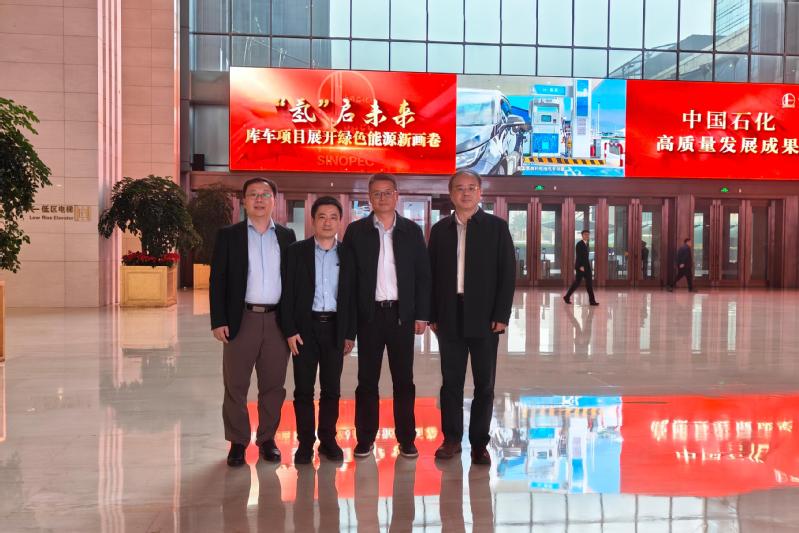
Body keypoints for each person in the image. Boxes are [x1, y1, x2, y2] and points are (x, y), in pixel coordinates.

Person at [428, 170, 515, 465]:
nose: (465, 193)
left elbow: (507, 274)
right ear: (451, 193)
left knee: (484, 384)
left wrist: (501, 314)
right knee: (450, 382)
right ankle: (452, 439)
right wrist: (432, 314)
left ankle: (479, 443)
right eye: (459, 188)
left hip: (485, 316)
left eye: (471, 188)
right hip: (449, 314)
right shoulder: (440, 230)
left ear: (480, 192)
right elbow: (430, 275)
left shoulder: (496, 228)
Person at [210, 177, 296, 467]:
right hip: (241, 319)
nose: (259, 199)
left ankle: (267, 439)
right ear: (244, 201)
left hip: (276, 321)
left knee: (273, 385)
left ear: (274, 200)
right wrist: (219, 319)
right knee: (235, 384)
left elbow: (292, 284)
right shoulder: (229, 236)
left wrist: (293, 324)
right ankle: (237, 441)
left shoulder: (286, 237)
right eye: (253, 195)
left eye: (265, 194)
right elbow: (218, 280)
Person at [344, 173, 431, 459]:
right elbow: (349, 280)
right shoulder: (356, 231)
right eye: (376, 193)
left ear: (396, 196)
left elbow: (422, 275)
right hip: (368, 316)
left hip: (401, 316)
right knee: (367, 381)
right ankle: (365, 438)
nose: (382, 198)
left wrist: (422, 314)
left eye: (387, 192)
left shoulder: (411, 231)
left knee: (403, 380)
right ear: (369, 198)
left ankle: (406, 438)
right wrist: (349, 326)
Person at [280, 196, 356, 464]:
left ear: (340, 221)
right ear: (313, 220)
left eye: (333, 217)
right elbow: (286, 294)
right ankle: (304, 443)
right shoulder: (295, 252)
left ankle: (328, 440)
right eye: (322, 216)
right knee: (303, 390)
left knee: (331, 389)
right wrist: (289, 330)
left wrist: (349, 333)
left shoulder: (348, 254)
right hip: (304, 329)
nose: (327, 222)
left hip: (335, 328)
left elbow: (352, 297)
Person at [563, 230, 599, 306]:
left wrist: (587, 266)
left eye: (588, 235)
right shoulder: (579, 244)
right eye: (585, 234)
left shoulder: (587, 244)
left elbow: (586, 256)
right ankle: (567, 297)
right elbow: (579, 256)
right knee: (576, 283)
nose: (587, 236)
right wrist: (580, 266)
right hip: (581, 267)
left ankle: (592, 301)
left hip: (587, 267)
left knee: (589, 284)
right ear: (582, 235)